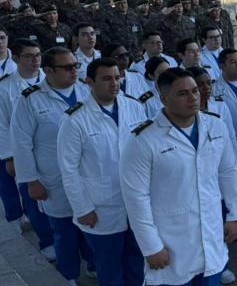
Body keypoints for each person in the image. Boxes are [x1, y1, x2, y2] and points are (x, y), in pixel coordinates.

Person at [120, 68, 237, 286]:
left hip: (211, 234)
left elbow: (228, 171)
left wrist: (235, 215)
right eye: (182, 93)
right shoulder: (143, 140)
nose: (193, 97)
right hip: (171, 243)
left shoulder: (216, 126)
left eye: (194, 91)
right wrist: (151, 247)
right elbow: (136, 198)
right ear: (164, 98)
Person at [57, 58, 147, 286]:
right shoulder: (75, 119)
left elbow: (147, 153)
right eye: (106, 79)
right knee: (109, 266)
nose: (114, 84)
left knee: (137, 261)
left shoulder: (135, 107)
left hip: (136, 201)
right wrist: (82, 208)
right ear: (89, 82)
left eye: (117, 78)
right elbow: (68, 169)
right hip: (101, 207)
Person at [11, 47, 95, 284]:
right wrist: (31, 180)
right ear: (48, 70)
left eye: (76, 66)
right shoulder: (31, 99)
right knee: (65, 231)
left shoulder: (86, 91)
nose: (74, 71)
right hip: (54, 178)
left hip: (88, 175)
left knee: (91, 225)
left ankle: (93, 265)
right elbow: (21, 143)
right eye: (67, 67)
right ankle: (68, 274)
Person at [0, 38, 55, 259]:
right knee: (31, 195)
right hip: (23, 151)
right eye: (28, 56)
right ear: (16, 58)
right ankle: (47, 241)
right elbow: (2, 125)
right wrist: (9, 157)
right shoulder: (5, 87)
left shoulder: (51, 80)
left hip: (50, 149)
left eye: (38, 55)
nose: (35, 60)